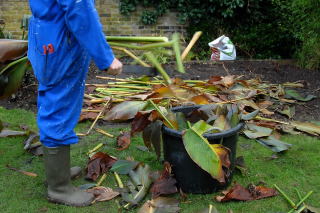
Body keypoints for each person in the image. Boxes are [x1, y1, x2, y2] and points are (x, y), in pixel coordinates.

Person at [28, 0, 123, 206]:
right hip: (61, 41)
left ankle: (58, 174)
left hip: (46, 35)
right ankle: (59, 189)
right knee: (59, 109)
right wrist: (105, 57)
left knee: (53, 100)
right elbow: (79, 9)